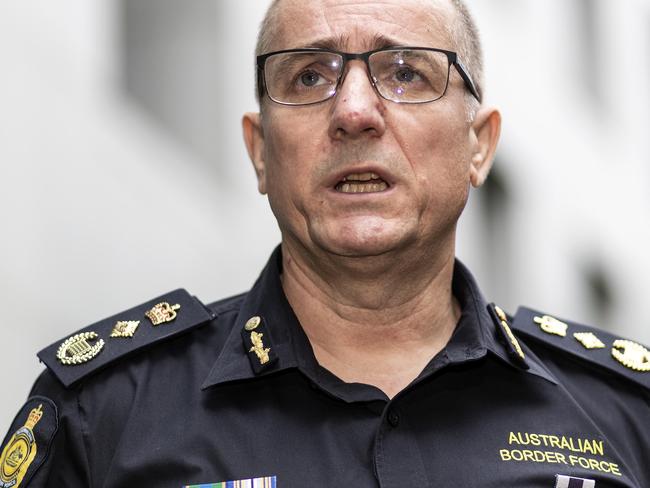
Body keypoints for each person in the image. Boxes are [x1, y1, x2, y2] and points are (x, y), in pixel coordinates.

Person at [2, 0, 648, 486]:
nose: (355, 112)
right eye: (310, 77)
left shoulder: (624, 418)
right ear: (259, 151)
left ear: (479, 144)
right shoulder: (105, 413)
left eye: (406, 73)